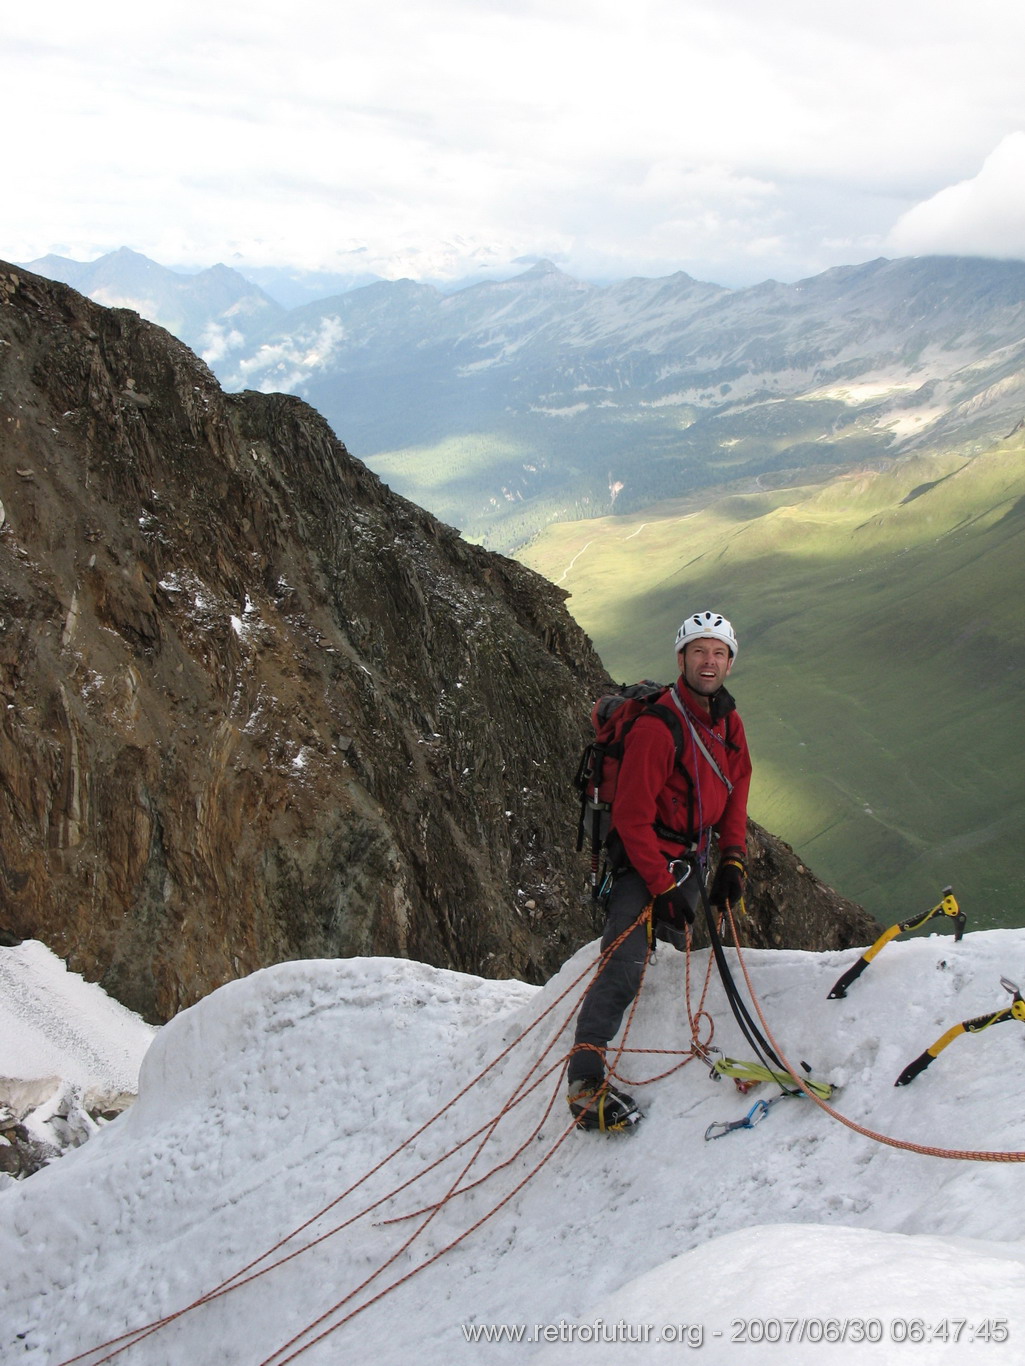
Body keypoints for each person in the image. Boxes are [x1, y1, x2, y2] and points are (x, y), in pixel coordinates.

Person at [567, 610, 753, 1131]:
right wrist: (660, 884)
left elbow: (736, 789)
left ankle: (653, 940)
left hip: (688, 857)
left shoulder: (728, 721)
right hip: (645, 856)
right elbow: (630, 816)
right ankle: (584, 1077)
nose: (709, 661)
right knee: (624, 958)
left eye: (718, 652)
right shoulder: (657, 725)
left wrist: (733, 858)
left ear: (730, 663)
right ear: (681, 659)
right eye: (699, 651)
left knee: (665, 936)